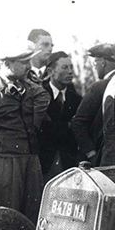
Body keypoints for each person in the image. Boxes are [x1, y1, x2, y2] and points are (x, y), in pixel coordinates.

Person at [0, 42, 51, 223]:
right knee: (1, 218)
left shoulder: (28, 88)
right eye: (23, 62)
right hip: (1, 163)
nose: (29, 66)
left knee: (31, 218)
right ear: (6, 63)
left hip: (29, 160)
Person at [71, 43, 115, 166]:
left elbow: (78, 122)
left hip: (100, 157)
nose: (94, 67)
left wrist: (91, 153)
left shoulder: (99, 86)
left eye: (95, 63)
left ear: (103, 62)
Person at [38, 51, 83, 180]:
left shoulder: (77, 99)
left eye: (71, 67)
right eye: (64, 67)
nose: (70, 72)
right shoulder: (38, 95)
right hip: (44, 162)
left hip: (68, 162)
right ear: (50, 71)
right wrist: (68, 125)